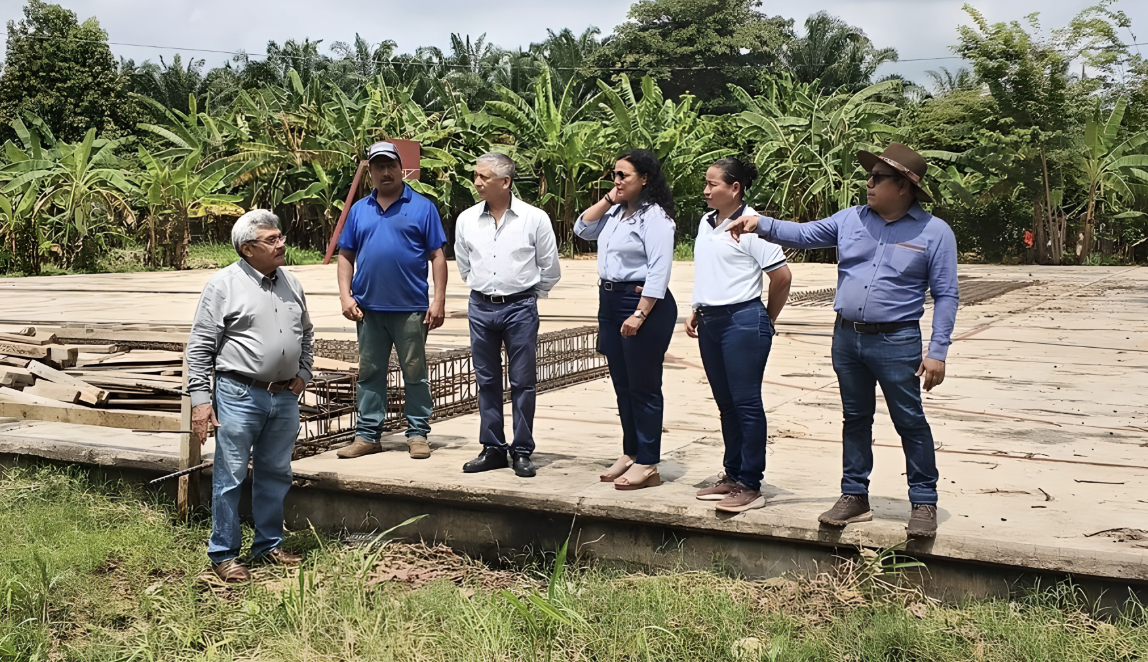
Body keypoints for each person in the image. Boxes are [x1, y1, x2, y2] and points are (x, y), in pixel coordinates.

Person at [726, 142, 958, 538]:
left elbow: (947, 294)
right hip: (847, 338)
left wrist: (937, 351)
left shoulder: (934, 232)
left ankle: (923, 501)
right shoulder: (850, 219)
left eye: (878, 178)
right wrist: (759, 223)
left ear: (904, 186)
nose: (868, 184)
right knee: (855, 418)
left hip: (897, 339)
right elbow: (803, 235)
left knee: (910, 421)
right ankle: (854, 495)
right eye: (869, 177)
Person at [187, 209, 311, 583]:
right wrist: (200, 401)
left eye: (281, 237)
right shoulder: (223, 285)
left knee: (276, 473)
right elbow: (199, 347)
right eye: (271, 240)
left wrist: (303, 373)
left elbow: (306, 332)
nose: (282, 244)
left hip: (284, 396)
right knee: (230, 476)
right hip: (239, 394)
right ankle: (224, 554)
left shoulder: (291, 282)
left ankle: (268, 545)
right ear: (246, 249)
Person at [686, 157, 792, 513]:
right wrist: (697, 308)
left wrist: (766, 319)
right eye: (706, 183)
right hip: (711, 321)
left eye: (713, 184)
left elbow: (782, 277)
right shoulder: (705, 222)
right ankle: (732, 475)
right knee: (726, 403)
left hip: (743, 320)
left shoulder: (752, 227)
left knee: (746, 403)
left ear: (735, 188)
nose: (706, 190)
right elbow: (713, 270)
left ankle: (751, 483)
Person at [335, 141, 448, 461]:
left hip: (411, 309)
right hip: (368, 310)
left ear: (402, 168)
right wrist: (345, 295)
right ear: (369, 171)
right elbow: (345, 256)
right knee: (370, 373)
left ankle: (417, 433)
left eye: (391, 166)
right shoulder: (359, 211)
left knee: (415, 372)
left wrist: (438, 300)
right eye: (378, 167)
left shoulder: (423, 207)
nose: (385, 172)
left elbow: (437, 256)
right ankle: (368, 435)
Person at [574, 148, 676, 491]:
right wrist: (609, 198)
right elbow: (582, 229)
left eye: (624, 176)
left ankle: (648, 461)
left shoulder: (656, 218)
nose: (617, 181)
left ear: (644, 179)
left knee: (644, 386)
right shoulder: (616, 212)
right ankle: (630, 451)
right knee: (623, 384)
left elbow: (659, 271)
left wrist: (640, 313)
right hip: (610, 300)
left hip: (641, 303)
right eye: (614, 175)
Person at [455, 152, 561, 478]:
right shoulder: (466, 219)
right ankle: (492, 448)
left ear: (505, 181)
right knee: (486, 381)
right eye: (476, 175)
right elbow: (463, 263)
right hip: (480, 306)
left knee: (523, 382)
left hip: (520, 308)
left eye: (483, 177)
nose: (476, 182)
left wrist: (527, 295)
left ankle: (522, 450)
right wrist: (485, 288)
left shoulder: (534, 218)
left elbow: (550, 268)